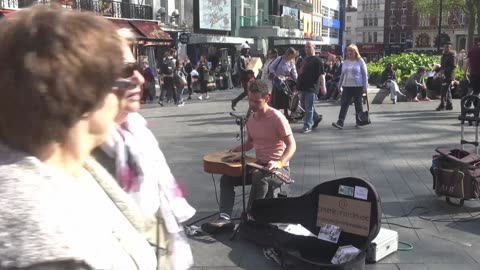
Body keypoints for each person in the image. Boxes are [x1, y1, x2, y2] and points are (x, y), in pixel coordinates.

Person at [0, 6, 157, 270]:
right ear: (81, 94)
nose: (137, 79)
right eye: (123, 71)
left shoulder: (72, 167)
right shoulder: (46, 247)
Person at [92, 29, 195, 270]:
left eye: (137, 67)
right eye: (127, 71)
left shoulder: (135, 130)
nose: (140, 78)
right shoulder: (85, 150)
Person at [201, 80, 296, 234]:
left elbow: (292, 145)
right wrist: (237, 151)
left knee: (259, 177)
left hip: (279, 169)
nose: (252, 104)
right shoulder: (251, 119)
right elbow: (251, 142)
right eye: (250, 100)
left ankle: (252, 217)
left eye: (256, 101)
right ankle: (225, 218)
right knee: (227, 179)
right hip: (258, 164)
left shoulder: (278, 118)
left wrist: (279, 162)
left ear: (267, 98)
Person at [332, 44, 368, 129]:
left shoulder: (360, 61)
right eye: (348, 51)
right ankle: (340, 122)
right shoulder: (345, 62)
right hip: (347, 86)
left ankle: (359, 121)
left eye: (352, 51)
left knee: (358, 104)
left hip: (358, 86)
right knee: (344, 104)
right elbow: (342, 75)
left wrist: (365, 87)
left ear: (356, 52)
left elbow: (364, 75)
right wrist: (339, 85)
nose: (350, 52)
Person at [297, 41, 327, 134]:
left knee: (309, 107)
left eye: (309, 47)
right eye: (306, 47)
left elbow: (322, 75)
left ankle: (307, 125)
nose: (307, 49)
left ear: (314, 48)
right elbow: (301, 73)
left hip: (312, 87)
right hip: (303, 87)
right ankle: (316, 118)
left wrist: (323, 87)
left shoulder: (317, 60)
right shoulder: (305, 59)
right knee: (304, 106)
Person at [269, 47, 298, 118]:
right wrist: (275, 75)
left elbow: (294, 73)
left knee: (286, 97)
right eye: (291, 55)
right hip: (277, 80)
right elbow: (271, 67)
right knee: (277, 98)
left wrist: (297, 80)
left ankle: (286, 112)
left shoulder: (291, 62)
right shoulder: (280, 59)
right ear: (288, 53)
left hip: (286, 81)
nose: (292, 57)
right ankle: (275, 113)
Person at [436, 42, 457, 111]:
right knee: (447, 90)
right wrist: (439, 70)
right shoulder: (444, 55)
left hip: (449, 75)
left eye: (448, 47)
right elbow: (442, 65)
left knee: (443, 90)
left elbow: (453, 66)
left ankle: (442, 105)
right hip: (444, 75)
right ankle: (449, 105)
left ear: (450, 48)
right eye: (445, 47)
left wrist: (444, 70)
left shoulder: (452, 55)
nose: (447, 48)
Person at [231, 42, 251, 110]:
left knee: (248, 92)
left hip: (250, 77)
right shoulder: (240, 58)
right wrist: (247, 71)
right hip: (244, 77)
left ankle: (235, 101)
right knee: (248, 92)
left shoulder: (249, 57)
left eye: (248, 49)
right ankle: (251, 108)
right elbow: (240, 68)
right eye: (245, 49)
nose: (247, 50)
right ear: (242, 50)